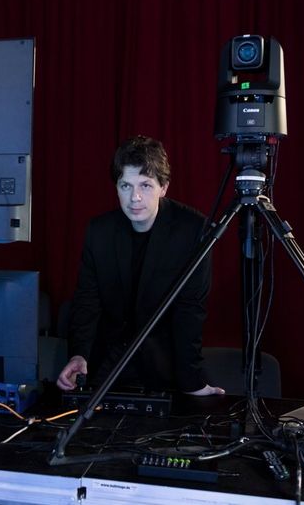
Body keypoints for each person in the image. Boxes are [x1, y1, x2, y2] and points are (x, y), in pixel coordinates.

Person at [56, 135, 225, 396]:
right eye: (125, 185)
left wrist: (192, 382)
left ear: (164, 187)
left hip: (165, 368)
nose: (134, 197)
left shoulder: (193, 230)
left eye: (145, 185)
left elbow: (190, 310)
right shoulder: (99, 232)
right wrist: (79, 355)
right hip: (105, 365)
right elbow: (87, 301)